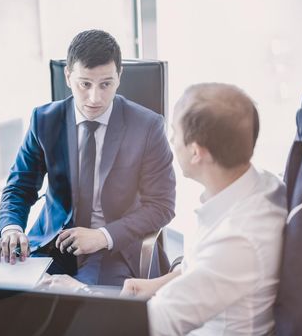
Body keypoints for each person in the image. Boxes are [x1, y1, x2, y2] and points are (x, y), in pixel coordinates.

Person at [0, 29, 176, 286]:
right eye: (85, 84)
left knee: (93, 315)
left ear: (119, 77)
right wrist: (11, 227)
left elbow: (162, 206)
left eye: (106, 84)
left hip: (115, 249)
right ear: (68, 76)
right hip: (53, 243)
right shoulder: (44, 121)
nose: (95, 98)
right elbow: (19, 186)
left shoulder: (148, 127)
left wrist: (102, 235)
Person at [121, 83, 287, 335]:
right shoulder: (261, 182)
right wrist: (156, 285)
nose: (171, 140)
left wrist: (73, 300)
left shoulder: (236, 240)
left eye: (175, 133)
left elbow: (153, 324)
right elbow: (206, 272)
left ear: (196, 152)